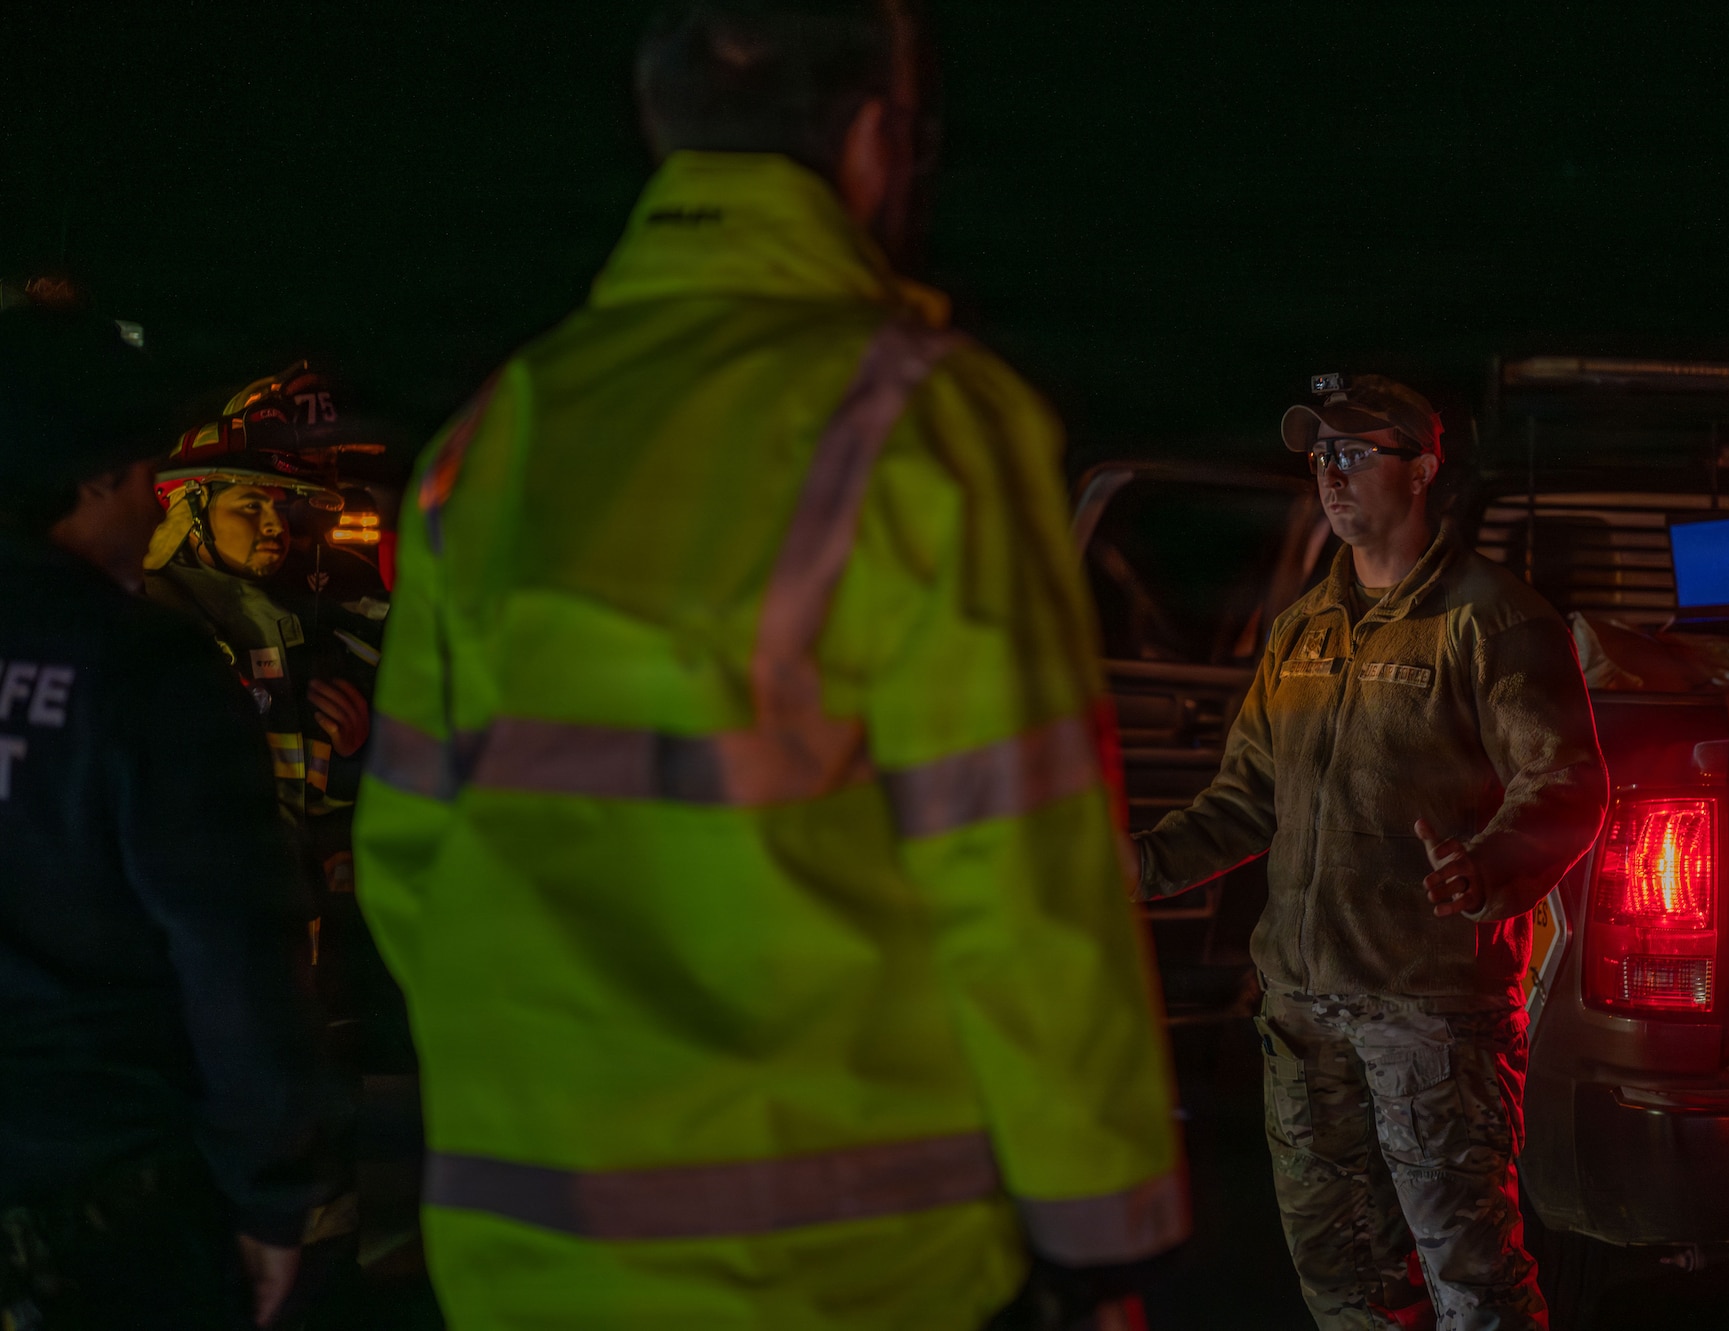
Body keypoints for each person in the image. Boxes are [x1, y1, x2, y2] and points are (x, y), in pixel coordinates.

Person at [353, 3, 1188, 1328]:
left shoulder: (501, 429)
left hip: (532, 1252)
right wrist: (1103, 1230)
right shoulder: (921, 418)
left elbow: (406, 855)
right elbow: (1021, 875)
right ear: (870, 145)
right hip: (855, 1266)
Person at [1134, 375, 1607, 1330]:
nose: (1331, 476)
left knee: (1471, 1283)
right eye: (1320, 457)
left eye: (1356, 453)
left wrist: (1487, 865)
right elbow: (1244, 799)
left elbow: (1565, 784)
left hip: (1427, 1015)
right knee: (1342, 1280)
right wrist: (1134, 869)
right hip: (1304, 1016)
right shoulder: (1303, 630)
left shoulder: (1493, 620)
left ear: (1424, 468)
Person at [0, 294, 336, 1329]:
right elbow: (233, 949)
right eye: (143, 476)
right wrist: (272, 1195)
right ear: (90, 479)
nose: (157, 506)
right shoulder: (145, 675)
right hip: (104, 1201)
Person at [142, 377, 397, 1060]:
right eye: (249, 505)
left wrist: (355, 747)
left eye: (282, 508)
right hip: (187, 934)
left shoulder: (312, 622)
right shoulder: (154, 624)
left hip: (285, 927)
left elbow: (332, 794)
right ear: (188, 508)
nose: (274, 526)